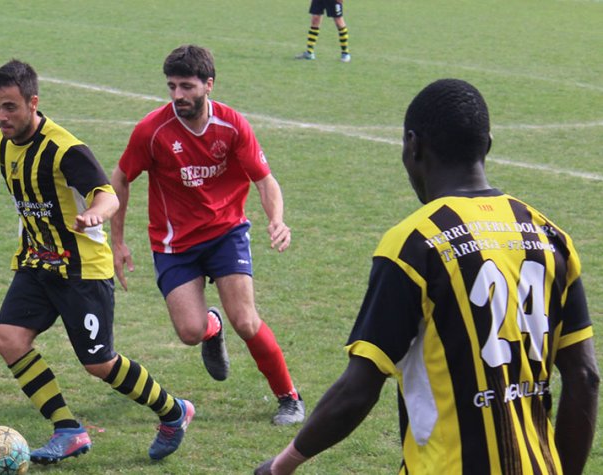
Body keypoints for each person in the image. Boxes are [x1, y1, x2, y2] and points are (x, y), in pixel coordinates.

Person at [255, 79, 599, 474]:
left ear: (413, 146)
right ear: (486, 145)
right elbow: (585, 376)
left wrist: (282, 464)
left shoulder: (414, 244)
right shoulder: (549, 236)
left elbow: (359, 389)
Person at [0, 60, 194, 464]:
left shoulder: (65, 149)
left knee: (99, 363)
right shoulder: (5, 135)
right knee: (9, 340)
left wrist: (97, 213)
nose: (1, 116)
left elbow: (106, 192)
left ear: (33, 102)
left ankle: (174, 411)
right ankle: (68, 429)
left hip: (82, 271)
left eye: (10, 107)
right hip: (37, 264)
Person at [110, 44, 305, 426]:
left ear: (208, 85)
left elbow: (265, 181)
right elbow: (120, 179)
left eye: (186, 86)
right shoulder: (152, 131)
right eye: (172, 87)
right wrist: (117, 241)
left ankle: (289, 397)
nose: (178, 95)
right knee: (189, 332)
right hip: (174, 244)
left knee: (246, 321)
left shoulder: (232, 126)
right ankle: (210, 327)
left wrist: (276, 220)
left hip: (225, 233)